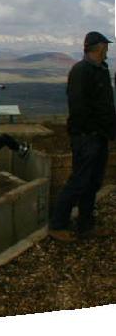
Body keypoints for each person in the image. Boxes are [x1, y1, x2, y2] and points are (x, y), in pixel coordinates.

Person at [49, 31, 115, 242]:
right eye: (106, 46)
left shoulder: (101, 70)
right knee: (79, 181)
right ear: (98, 47)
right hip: (86, 137)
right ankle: (57, 225)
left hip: (99, 136)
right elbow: (78, 107)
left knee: (93, 183)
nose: (108, 50)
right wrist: (92, 130)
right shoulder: (81, 71)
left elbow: (105, 105)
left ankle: (86, 226)